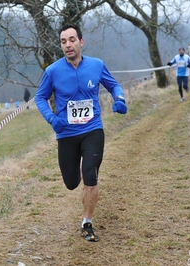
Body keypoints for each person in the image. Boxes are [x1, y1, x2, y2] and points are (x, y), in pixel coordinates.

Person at [35, 24, 127, 242]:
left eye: (72, 39)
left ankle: (87, 222)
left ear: (81, 42)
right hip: (66, 133)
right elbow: (40, 98)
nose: (68, 45)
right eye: (63, 41)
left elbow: (114, 86)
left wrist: (120, 99)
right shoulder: (53, 71)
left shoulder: (96, 65)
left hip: (92, 129)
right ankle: (79, 176)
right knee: (71, 182)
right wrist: (52, 119)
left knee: (90, 175)